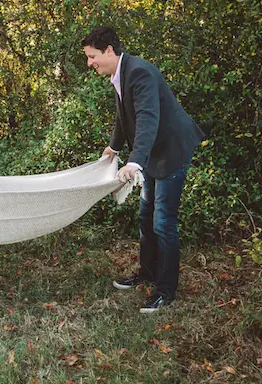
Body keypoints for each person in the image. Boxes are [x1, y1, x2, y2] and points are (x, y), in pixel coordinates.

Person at [82, 27, 204, 313]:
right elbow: (124, 116)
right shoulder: (119, 74)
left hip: (171, 151)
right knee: (145, 215)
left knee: (163, 222)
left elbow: (148, 119)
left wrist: (134, 160)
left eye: (92, 56)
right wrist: (114, 147)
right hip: (150, 152)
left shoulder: (140, 73)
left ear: (109, 50)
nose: (89, 63)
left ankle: (166, 290)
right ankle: (148, 273)